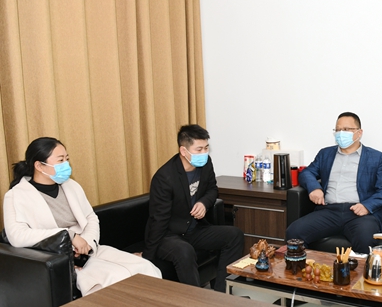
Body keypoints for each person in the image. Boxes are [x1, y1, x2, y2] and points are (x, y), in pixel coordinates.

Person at [3, 137, 162, 296]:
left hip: (89, 250)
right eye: (60, 160)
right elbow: (17, 236)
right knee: (115, 279)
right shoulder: (16, 195)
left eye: (67, 159)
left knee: (146, 268)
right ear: (39, 165)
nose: (66, 164)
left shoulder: (71, 186)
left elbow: (91, 218)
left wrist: (87, 243)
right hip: (59, 258)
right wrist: (69, 236)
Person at [144, 124, 244, 292]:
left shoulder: (206, 164)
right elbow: (159, 219)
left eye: (206, 148)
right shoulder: (165, 177)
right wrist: (147, 257)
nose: (204, 153)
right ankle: (196, 301)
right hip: (168, 235)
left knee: (235, 235)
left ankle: (222, 294)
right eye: (199, 149)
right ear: (183, 151)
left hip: (194, 229)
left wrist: (203, 203)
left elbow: (212, 189)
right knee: (185, 251)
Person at [285, 112, 382, 255]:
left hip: (359, 213)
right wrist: (314, 188)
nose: (341, 133)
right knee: (294, 232)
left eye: (346, 129)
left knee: (365, 238)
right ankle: (303, 268)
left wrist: (367, 206)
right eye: (338, 130)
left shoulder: (376, 157)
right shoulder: (325, 154)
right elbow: (307, 173)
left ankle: (360, 270)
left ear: (359, 133)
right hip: (329, 211)